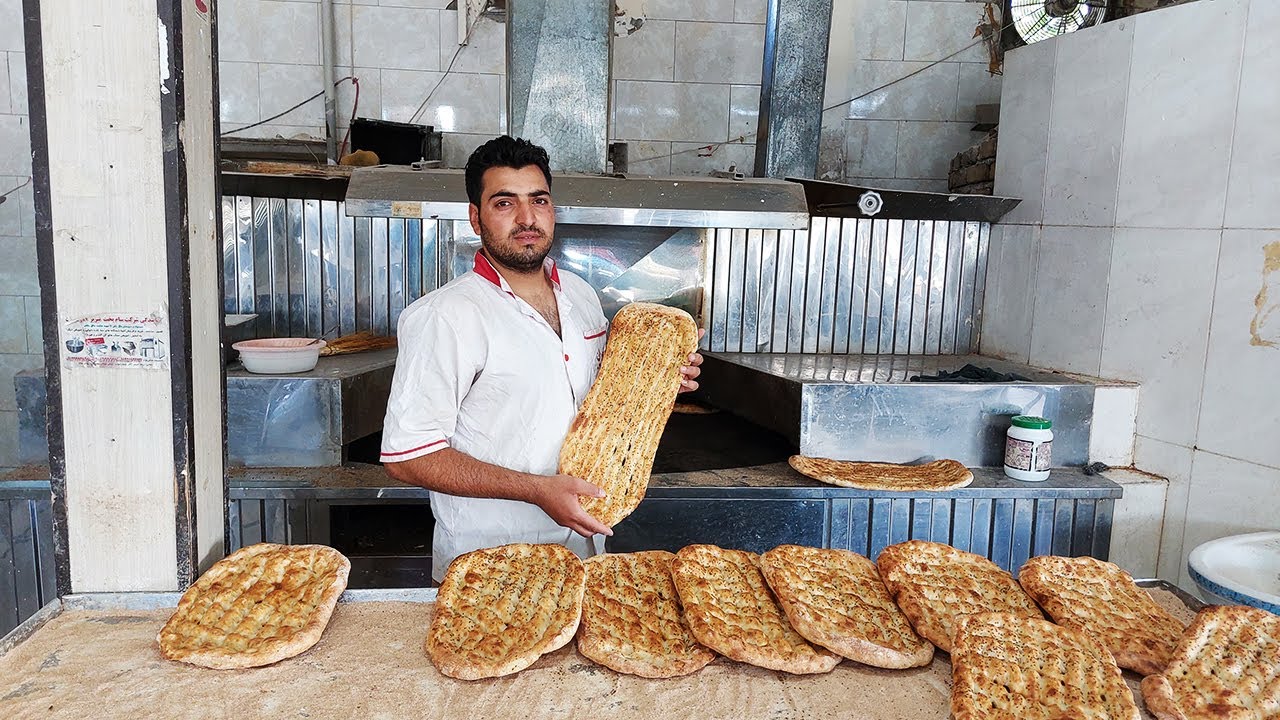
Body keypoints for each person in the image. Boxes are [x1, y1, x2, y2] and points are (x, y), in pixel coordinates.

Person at [380, 135, 704, 582]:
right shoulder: (444, 316)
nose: (528, 218)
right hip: (490, 565)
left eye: (539, 200)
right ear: (476, 217)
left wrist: (661, 380)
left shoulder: (581, 295)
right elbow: (407, 456)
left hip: (587, 556)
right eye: (504, 203)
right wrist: (537, 491)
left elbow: (604, 400)